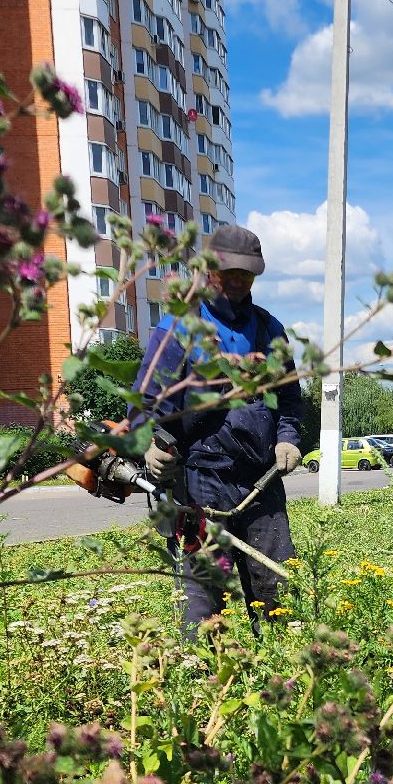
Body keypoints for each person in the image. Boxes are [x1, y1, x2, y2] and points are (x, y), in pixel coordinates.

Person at [133, 225, 303, 631]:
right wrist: (149, 445)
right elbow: (146, 400)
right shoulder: (178, 328)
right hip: (199, 482)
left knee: (278, 594)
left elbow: (289, 399)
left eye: (246, 274)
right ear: (209, 270)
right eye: (229, 273)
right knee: (203, 601)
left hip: (261, 481)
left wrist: (288, 438)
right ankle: (205, 667)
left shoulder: (270, 330)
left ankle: (285, 661)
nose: (238, 281)